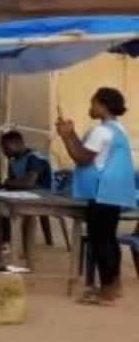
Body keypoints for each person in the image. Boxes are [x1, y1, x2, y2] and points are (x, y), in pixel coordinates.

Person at [56, 87, 135, 306]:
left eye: (93, 104)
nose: (90, 108)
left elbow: (82, 158)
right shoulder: (116, 128)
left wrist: (64, 138)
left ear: (103, 105)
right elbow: (85, 150)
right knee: (109, 239)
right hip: (113, 190)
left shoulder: (101, 132)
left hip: (103, 190)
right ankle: (113, 285)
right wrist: (70, 134)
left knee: (100, 240)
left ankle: (107, 290)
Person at [0, 129, 55, 250]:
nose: (3, 151)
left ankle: (13, 243)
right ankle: (5, 241)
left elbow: (28, 183)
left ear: (16, 143)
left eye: (5, 147)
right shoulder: (15, 160)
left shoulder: (34, 158)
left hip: (43, 194)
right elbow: (13, 182)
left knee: (8, 205)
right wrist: (1, 184)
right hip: (27, 193)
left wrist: (5, 183)